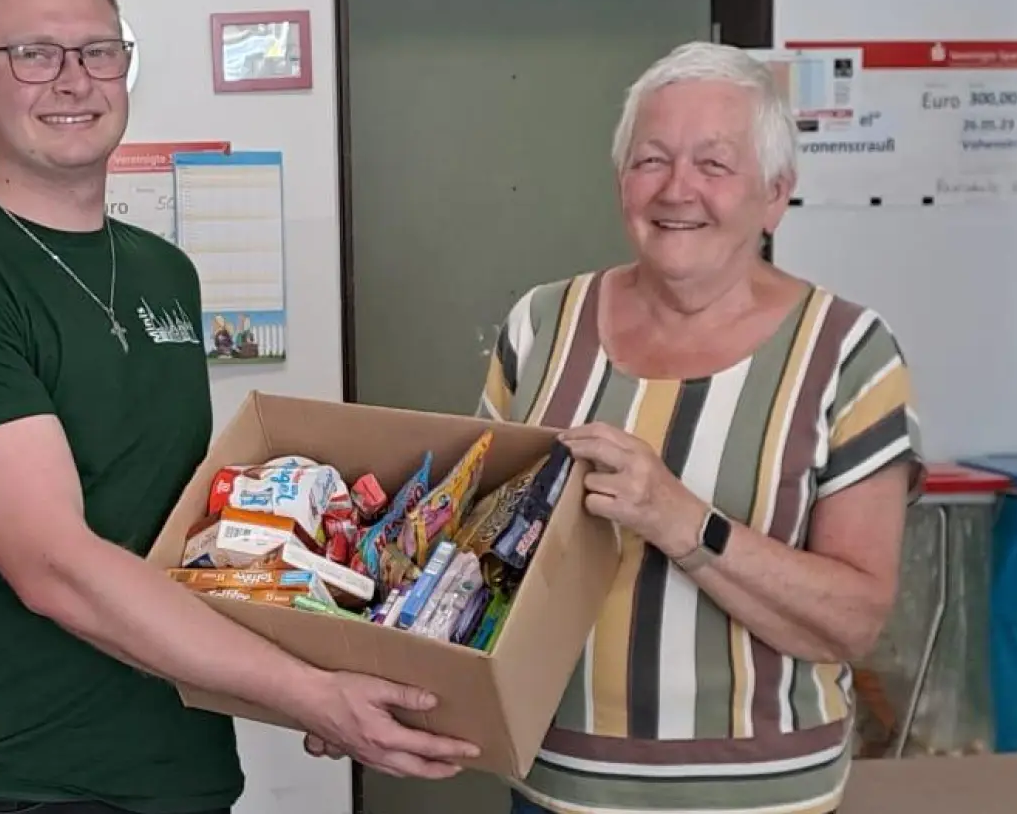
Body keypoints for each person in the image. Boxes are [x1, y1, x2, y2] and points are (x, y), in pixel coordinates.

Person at [0, 0, 476, 814]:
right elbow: (56, 567)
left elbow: (182, 535)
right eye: (32, 53)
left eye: (98, 50)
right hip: (4, 778)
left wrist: (310, 670)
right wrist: (310, 693)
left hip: (175, 764)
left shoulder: (161, 271)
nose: (74, 80)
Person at [307, 41, 922, 811]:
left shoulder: (848, 352)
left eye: (714, 164)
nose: (677, 190)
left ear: (775, 194)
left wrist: (682, 520)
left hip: (760, 797)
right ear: (621, 182)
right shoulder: (541, 326)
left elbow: (855, 622)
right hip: (553, 786)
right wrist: (353, 679)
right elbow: (468, 561)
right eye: (650, 160)